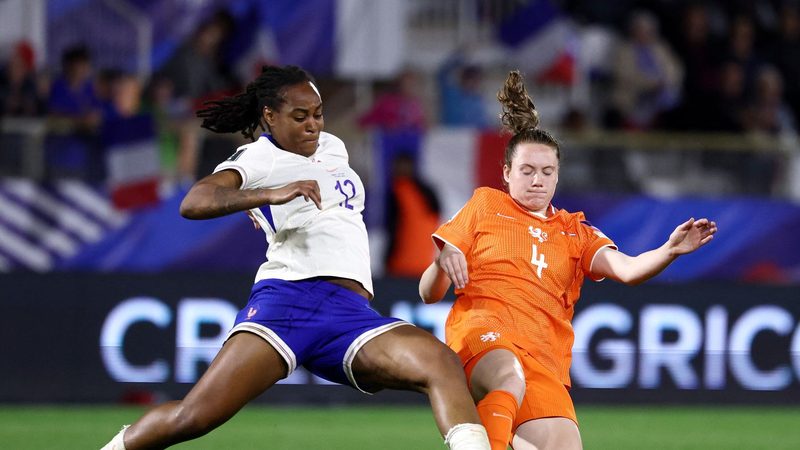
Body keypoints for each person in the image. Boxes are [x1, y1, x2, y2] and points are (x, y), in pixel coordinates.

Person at [100, 65, 490, 450]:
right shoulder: (259, 157)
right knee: (194, 417)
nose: (312, 125)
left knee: (440, 363)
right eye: (300, 116)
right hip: (289, 303)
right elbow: (194, 201)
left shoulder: (333, 147)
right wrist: (266, 195)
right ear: (270, 116)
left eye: (317, 114)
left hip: (350, 315)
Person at [419, 70, 717, 450]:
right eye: (527, 171)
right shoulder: (485, 205)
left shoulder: (575, 231)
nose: (537, 180)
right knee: (508, 375)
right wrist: (442, 261)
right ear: (506, 173)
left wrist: (668, 251)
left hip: (544, 361)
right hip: (485, 336)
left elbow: (627, 270)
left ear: (558, 176)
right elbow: (428, 293)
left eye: (547, 171)